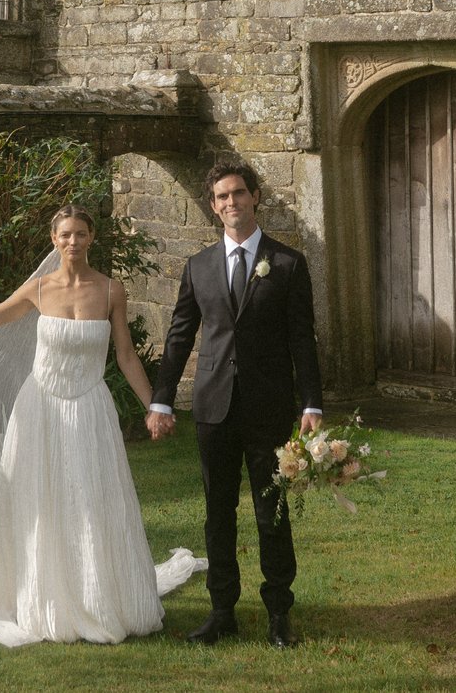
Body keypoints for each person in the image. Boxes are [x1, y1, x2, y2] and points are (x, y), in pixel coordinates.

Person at [0, 205, 202, 646]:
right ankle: (46, 599)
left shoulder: (112, 290)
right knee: (41, 504)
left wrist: (157, 407)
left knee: (93, 502)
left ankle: (100, 597)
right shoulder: (38, 288)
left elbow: (127, 355)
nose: (73, 242)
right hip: (39, 410)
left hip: (90, 409)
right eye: (65, 235)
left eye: (80, 234)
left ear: (92, 238)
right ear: (54, 240)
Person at [147, 161, 325, 648]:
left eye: (239, 194)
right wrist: (162, 400)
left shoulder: (287, 264)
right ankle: (222, 610)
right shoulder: (199, 266)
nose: (232, 203)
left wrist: (312, 402)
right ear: (213, 206)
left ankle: (278, 615)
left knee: (273, 512)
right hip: (213, 409)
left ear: (256, 196)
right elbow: (180, 335)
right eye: (223, 197)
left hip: (268, 409)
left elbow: (302, 341)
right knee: (217, 512)